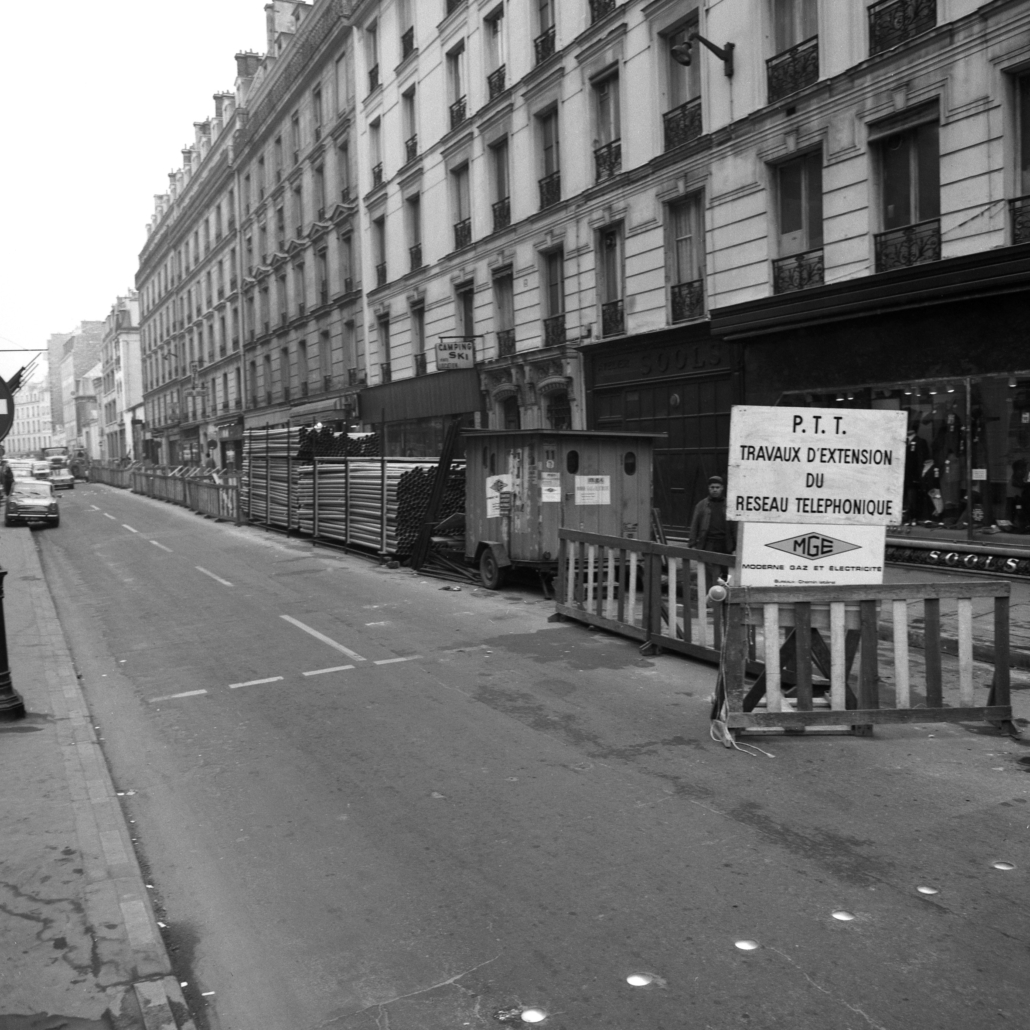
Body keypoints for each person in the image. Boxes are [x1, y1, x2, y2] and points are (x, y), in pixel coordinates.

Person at [688, 474, 737, 585]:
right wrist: (692, 542)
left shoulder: (729, 505)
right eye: (712, 487)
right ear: (708, 488)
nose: (715, 490)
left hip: (725, 544)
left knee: (725, 572)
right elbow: (695, 524)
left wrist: (736, 545)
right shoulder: (701, 505)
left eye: (717, 487)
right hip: (709, 544)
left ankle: (723, 592)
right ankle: (711, 592)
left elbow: (734, 525)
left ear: (722, 488)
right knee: (710, 573)